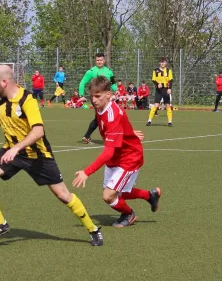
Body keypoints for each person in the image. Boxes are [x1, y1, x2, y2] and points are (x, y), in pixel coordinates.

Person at [0, 65, 103, 246]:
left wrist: (16, 149)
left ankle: (93, 230)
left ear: (4, 82)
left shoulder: (27, 100)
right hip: (11, 150)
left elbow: (39, 131)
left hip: (37, 155)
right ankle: (0, 223)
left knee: (63, 195)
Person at [72, 76, 161, 227]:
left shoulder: (112, 115)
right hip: (118, 156)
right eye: (92, 96)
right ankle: (150, 196)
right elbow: (121, 122)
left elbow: (108, 153)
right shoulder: (101, 107)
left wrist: (87, 172)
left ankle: (129, 214)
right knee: (118, 192)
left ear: (109, 95)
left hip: (129, 157)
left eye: (98, 96)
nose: (93, 100)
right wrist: (130, 133)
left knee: (108, 196)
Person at [78, 52, 117, 144]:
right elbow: (82, 83)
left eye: (101, 60)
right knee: (101, 117)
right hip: (96, 98)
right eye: (97, 60)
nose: (99, 62)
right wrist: (81, 95)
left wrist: (117, 90)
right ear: (95, 61)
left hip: (106, 98)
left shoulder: (109, 71)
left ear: (104, 60)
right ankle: (105, 136)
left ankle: (88, 136)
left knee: (102, 117)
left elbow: (113, 83)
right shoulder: (91, 71)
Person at [146, 57, 174, 127]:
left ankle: (170, 121)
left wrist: (169, 88)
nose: (162, 63)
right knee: (156, 105)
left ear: (166, 63)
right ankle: (149, 120)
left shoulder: (168, 71)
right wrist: (157, 84)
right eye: (161, 62)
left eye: (164, 62)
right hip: (158, 90)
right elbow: (153, 79)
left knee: (168, 105)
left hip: (166, 90)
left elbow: (170, 80)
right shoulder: (155, 70)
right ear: (159, 63)